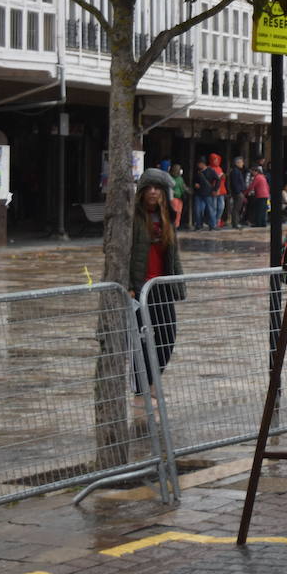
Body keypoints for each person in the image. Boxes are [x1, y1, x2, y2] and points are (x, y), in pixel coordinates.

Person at [129, 169, 185, 418]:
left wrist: (178, 285)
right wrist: (128, 284)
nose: (153, 192)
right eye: (149, 187)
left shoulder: (167, 218)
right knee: (141, 341)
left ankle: (153, 383)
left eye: (158, 188)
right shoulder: (133, 217)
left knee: (167, 336)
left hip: (161, 287)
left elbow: (174, 256)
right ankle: (141, 393)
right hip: (139, 288)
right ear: (142, 191)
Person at [207, 153, 228, 228]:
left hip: (221, 190)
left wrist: (223, 177)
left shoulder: (219, 168)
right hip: (214, 190)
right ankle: (213, 223)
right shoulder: (209, 168)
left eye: (217, 159)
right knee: (214, 207)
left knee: (221, 207)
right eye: (214, 159)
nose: (216, 161)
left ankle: (217, 220)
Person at [228, 156, 248, 229]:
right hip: (238, 192)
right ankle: (235, 223)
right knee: (236, 208)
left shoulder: (237, 171)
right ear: (237, 163)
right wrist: (238, 192)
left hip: (239, 192)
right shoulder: (235, 171)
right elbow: (235, 183)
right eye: (241, 162)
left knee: (238, 208)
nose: (242, 164)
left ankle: (236, 223)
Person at [168, 163, 188, 229]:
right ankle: (176, 225)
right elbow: (183, 188)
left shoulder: (169, 177)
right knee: (177, 212)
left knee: (175, 212)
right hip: (176, 197)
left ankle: (174, 224)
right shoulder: (179, 179)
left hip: (174, 197)